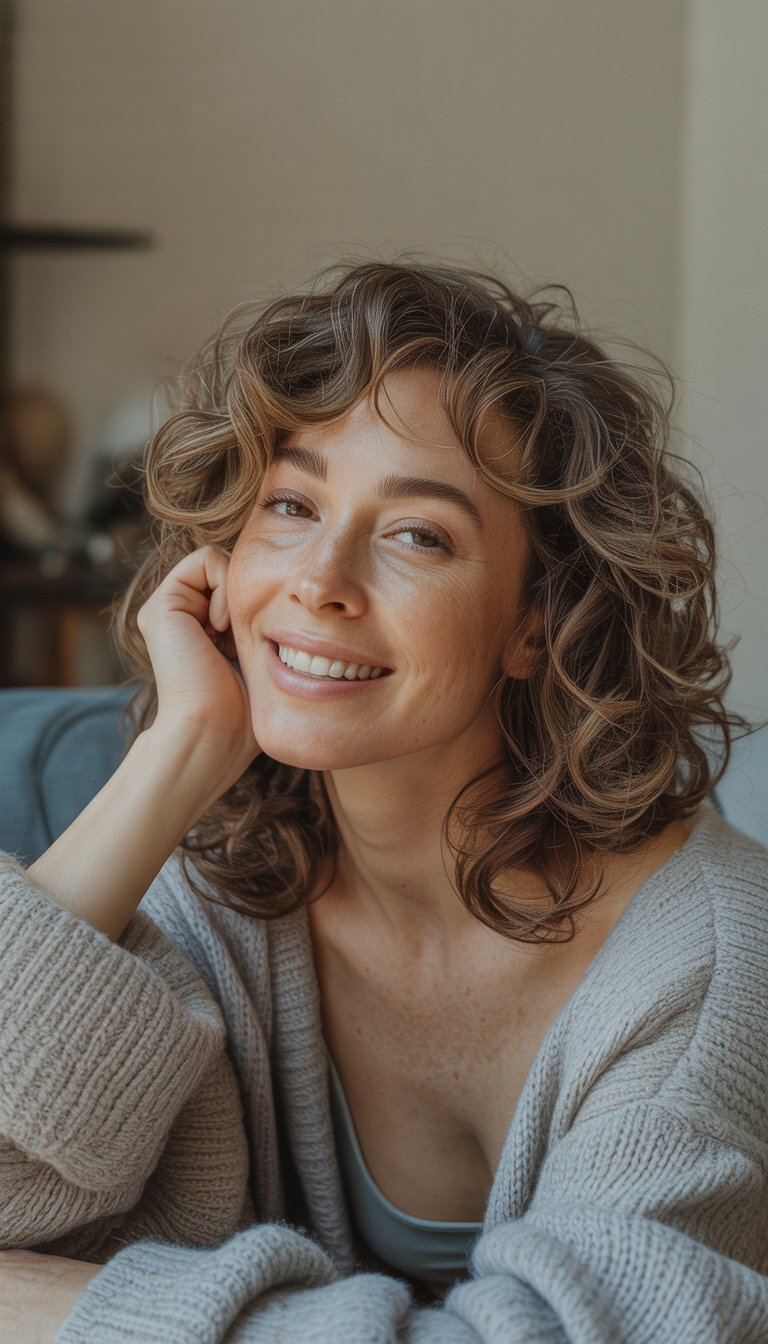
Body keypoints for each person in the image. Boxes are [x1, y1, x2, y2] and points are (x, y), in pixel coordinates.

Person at [1, 260, 767, 1344]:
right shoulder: (228, 895)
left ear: (535, 621)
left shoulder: (716, 961)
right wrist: (179, 752)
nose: (320, 578)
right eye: (292, 505)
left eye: (419, 534)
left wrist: (92, 1315)